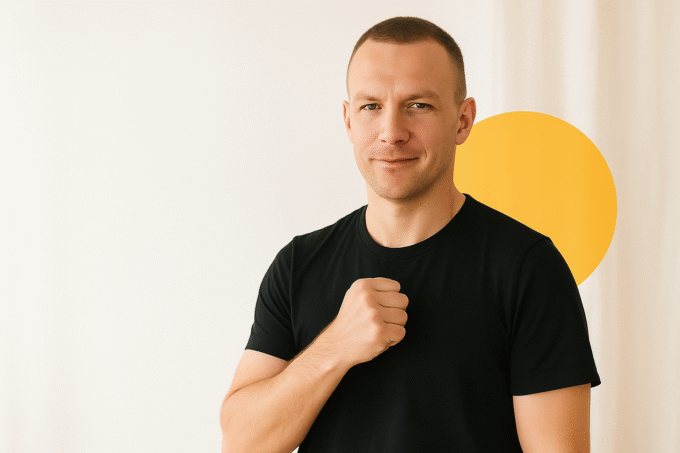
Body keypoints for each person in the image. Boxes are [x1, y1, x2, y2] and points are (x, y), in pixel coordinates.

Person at [220, 16, 600, 453]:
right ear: (348, 120)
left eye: (418, 105)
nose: (391, 133)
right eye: (371, 106)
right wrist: (336, 347)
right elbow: (242, 442)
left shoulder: (527, 267)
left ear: (463, 120)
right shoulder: (298, 265)